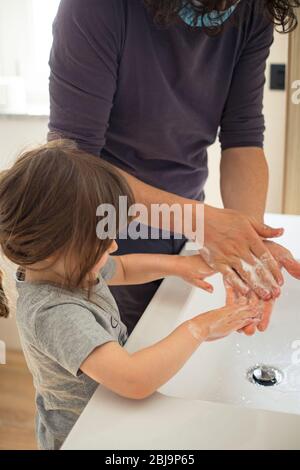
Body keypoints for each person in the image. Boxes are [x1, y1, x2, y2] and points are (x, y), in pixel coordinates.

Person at [48, 0, 300, 335]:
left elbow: (243, 137)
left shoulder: (253, 11)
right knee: (103, 378)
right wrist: (200, 222)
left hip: (178, 234)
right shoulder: (96, 7)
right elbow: (73, 163)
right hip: (97, 236)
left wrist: (247, 246)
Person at [0, 140, 264, 450]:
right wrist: (200, 327)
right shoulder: (55, 313)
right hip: (85, 435)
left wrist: (182, 265)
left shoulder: (69, 268)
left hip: (108, 414)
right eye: (103, 241)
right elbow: (134, 380)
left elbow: (123, 268)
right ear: (58, 245)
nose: (112, 247)